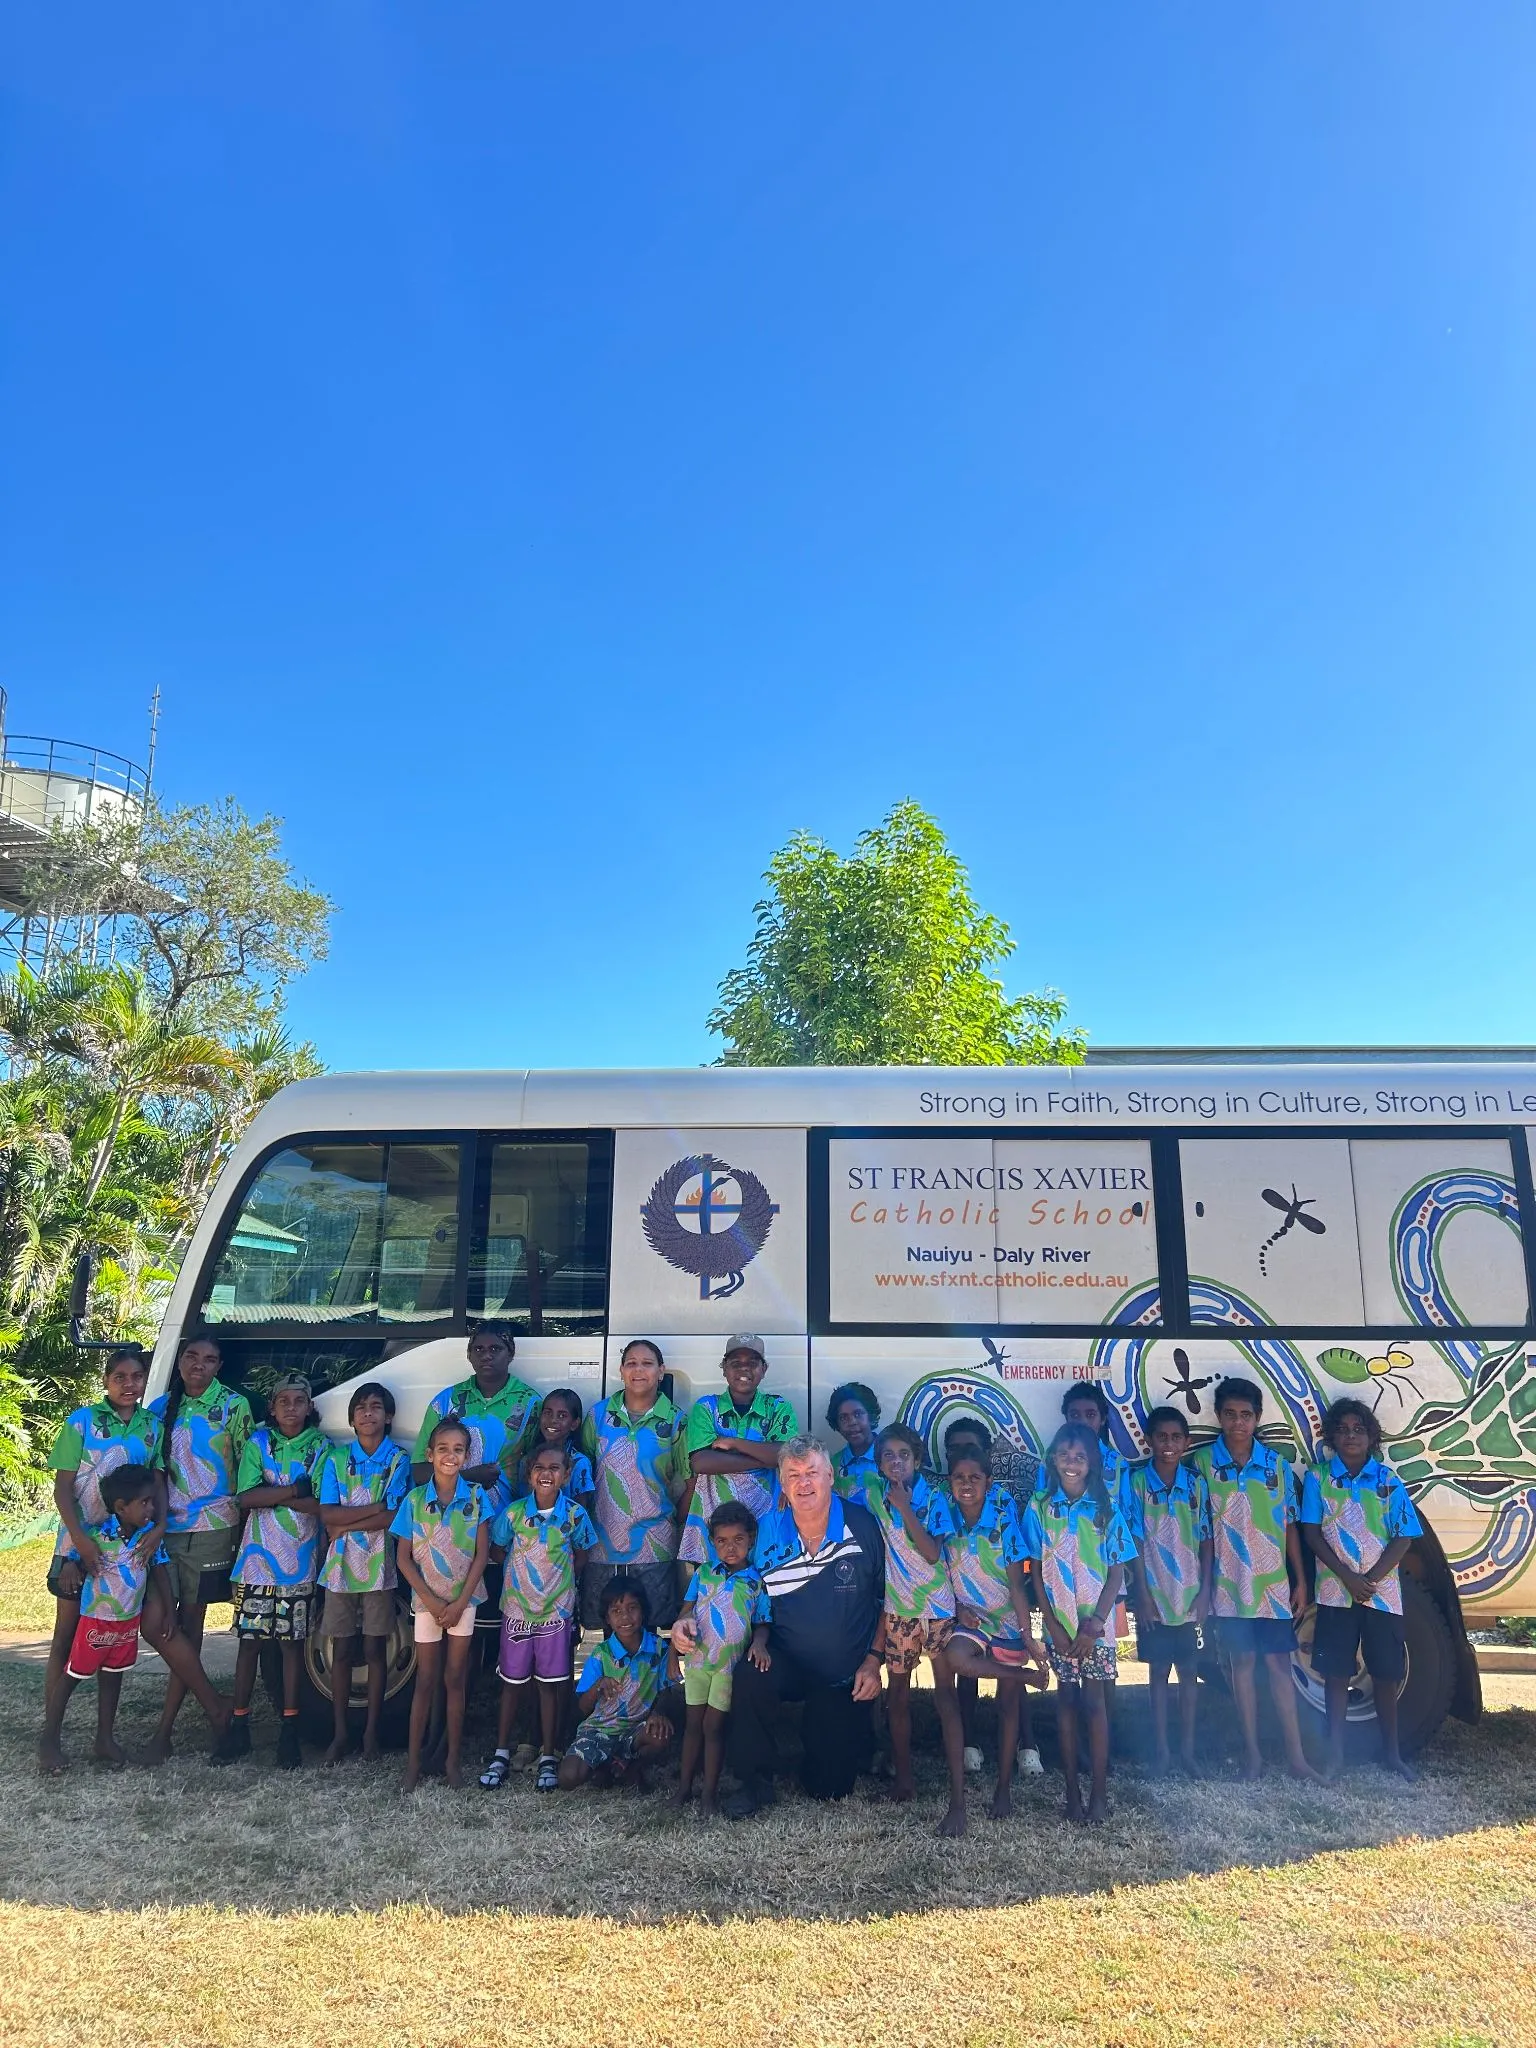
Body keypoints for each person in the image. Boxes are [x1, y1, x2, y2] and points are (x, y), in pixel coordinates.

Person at [726, 1434, 885, 1816]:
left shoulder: (862, 1526)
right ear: (782, 1484)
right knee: (750, 1675)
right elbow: (748, 1595)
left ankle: (822, 1747)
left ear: (830, 1475)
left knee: (830, 1787)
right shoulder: (766, 1532)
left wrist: (873, 1660)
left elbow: (887, 1601)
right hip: (787, 1663)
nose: (804, 1483)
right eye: (793, 1474)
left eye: (812, 1472)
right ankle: (753, 1780)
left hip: (841, 1677)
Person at [1191, 1376, 1319, 1782]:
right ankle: (1253, 1757)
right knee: (1240, 1665)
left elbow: (1289, 1527)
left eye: (1246, 1415)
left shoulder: (1276, 1466)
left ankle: (1296, 1757)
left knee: (1279, 1666)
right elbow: (1201, 1530)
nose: (1238, 1423)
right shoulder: (1203, 1465)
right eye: (1230, 1414)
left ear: (1258, 1418)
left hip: (1272, 1588)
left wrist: (1300, 1579)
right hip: (1228, 1588)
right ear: (1219, 1416)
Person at [143, 1329, 254, 1764]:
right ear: (181, 1361)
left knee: (189, 1628)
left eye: (208, 1360)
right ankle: (215, 1706)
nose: (198, 1366)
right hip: (164, 1531)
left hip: (214, 1527)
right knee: (155, 1623)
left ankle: (165, 1731)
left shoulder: (234, 1406)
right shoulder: (160, 1409)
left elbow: (248, 1469)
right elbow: (154, 1472)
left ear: (219, 1366)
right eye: (191, 1357)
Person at [1300, 1397, 1423, 1782]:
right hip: (1336, 1594)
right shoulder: (1319, 1479)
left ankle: (1392, 1753)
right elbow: (1311, 1533)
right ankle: (1335, 1754)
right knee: (1335, 1673)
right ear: (1331, 1437)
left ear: (1372, 1437)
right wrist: (1348, 1578)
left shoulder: (1387, 1480)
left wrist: (1370, 1579)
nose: (1351, 1436)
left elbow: (1405, 1535)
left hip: (1381, 1595)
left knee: (1386, 1673)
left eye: (1359, 1429)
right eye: (1343, 1429)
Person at [212, 1374, 328, 1770]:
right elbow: (245, 1498)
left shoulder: (322, 1447)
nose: (292, 1407)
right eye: (284, 1401)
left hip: (300, 1561)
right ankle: (239, 1725)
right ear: (272, 1407)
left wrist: (273, 1494)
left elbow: (320, 1504)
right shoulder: (259, 1443)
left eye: (299, 1400)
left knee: (291, 1646)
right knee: (250, 1643)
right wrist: (293, 1492)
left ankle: (289, 1731)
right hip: (256, 1562)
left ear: (310, 1407)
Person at [1023, 1423, 1136, 1825]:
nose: (1072, 1463)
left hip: (1094, 1631)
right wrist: (1051, 1624)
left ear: (1092, 1464)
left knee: (1094, 1704)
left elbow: (1117, 1570)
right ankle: (1071, 1793)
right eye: (1065, 1455)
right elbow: (1034, 1570)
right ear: (1053, 1458)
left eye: (1081, 1457)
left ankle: (1099, 1795)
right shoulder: (1039, 1507)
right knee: (1066, 1702)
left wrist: (1096, 1626)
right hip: (1060, 1628)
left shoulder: (1106, 1509)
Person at [44, 1345, 161, 1712]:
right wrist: (80, 1541)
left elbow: (156, 1483)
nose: (129, 1384)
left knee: (116, 1634)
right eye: (120, 1377)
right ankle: (52, 1731)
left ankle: (105, 1737)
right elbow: (62, 1488)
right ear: (106, 1381)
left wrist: (159, 1526)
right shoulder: (80, 1422)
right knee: (65, 1635)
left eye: (137, 1377)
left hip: (127, 1548)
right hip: (78, 1545)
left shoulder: (152, 1426)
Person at [37, 1467, 172, 1775]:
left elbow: (161, 1571)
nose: (152, 1509)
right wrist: (71, 1567)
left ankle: (104, 1739)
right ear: (122, 1507)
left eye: (152, 1502)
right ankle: (49, 1739)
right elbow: (76, 1558)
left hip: (127, 1622)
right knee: (72, 1677)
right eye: (145, 1502)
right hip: (96, 1622)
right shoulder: (100, 1534)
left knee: (114, 1677)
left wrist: (171, 1613)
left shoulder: (148, 1538)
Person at [941, 1446, 1049, 1829]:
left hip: (1004, 1620)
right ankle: (1023, 1679)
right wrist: (956, 1609)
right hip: (970, 1619)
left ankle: (1003, 1787)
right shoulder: (944, 1515)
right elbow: (937, 1571)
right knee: (955, 1659)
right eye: (959, 1478)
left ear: (988, 1482)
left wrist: (1027, 1635)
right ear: (949, 1482)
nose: (966, 1485)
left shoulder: (1004, 1518)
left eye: (974, 1478)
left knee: (1009, 1711)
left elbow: (1018, 1586)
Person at [480, 1441, 596, 1793]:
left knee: (550, 1684)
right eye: (540, 1468)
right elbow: (498, 1550)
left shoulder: (575, 1515)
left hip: (556, 1614)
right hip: (516, 1610)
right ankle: (501, 1752)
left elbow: (583, 1552)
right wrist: (523, 1577)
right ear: (529, 1474)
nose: (547, 1474)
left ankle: (548, 1754)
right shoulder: (514, 1514)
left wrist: (561, 1587)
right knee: (512, 1684)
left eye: (555, 1468)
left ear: (566, 1475)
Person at [865, 1422, 965, 1828]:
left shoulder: (935, 1497)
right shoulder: (873, 1494)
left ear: (918, 1460)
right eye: (888, 1455)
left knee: (945, 1697)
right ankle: (904, 1778)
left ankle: (957, 1793)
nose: (896, 1462)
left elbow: (930, 1553)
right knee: (899, 1696)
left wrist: (906, 1507)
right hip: (899, 1609)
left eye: (903, 1455)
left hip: (937, 1608)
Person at [391, 1416, 493, 1791]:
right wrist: (433, 1603)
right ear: (430, 1454)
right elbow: (403, 1558)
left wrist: (459, 1602)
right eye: (443, 1449)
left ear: (467, 1457)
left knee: (455, 1680)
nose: (451, 1456)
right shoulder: (414, 1500)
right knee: (426, 1681)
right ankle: (414, 1764)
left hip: (464, 1603)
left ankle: (452, 1761)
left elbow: (482, 1555)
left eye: (459, 1450)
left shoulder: (477, 1498)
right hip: (427, 1604)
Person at [315, 1382, 412, 1764]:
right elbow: (327, 1514)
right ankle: (340, 1733)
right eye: (360, 1407)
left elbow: (394, 1515)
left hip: (380, 1568)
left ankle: (372, 1732)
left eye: (376, 1407)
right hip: (339, 1570)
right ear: (351, 1417)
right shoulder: (337, 1459)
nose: (367, 1412)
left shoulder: (398, 1459)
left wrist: (344, 1525)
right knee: (341, 1649)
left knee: (375, 1649)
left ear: (388, 1417)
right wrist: (364, 1515)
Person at [668, 1500, 771, 1816]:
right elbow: (685, 1615)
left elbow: (763, 1622)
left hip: (728, 1668)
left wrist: (761, 1644)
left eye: (738, 1540)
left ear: (750, 1539)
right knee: (693, 1726)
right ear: (712, 1542)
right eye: (722, 1541)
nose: (730, 1548)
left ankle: (709, 1795)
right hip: (698, 1663)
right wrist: (673, 1654)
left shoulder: (756, 1581)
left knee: (713, 1728)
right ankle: (684, 1789)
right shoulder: (704, 1574)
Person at [1127, 1405, 1214, 1776]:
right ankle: (1162, 1750)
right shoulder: (1136, 1483)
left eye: (1176, 1437)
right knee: (1158, 1673)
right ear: (1149, 1441)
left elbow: (1207, 1539)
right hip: (1155, 1599)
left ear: (1186, 1442)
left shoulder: (1196, 1484)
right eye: (1161, 1436)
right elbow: (1134, 1540)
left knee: (1189, 1672)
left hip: (1190, 1596)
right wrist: (1142, 1597)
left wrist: (1206, 1590)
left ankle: (1188, 1751)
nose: (1168, 1444)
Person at [579, 1338, 688, 1630]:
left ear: (661, 1371)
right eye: (631, 1363)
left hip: (655, 1542)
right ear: (621, 1370)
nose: (639, 1370)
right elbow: (584, 1472)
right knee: (609, 1633)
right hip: (602, 1543)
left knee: (651, 1631)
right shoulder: (599, 1415)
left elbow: (687, 1479)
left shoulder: (676, 1421)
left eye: (647, 1363)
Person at [680, 1337, 797, 1576]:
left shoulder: (778, 1406)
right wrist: (765, 1457)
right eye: (735, 1362)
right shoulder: (706, 1407)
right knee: (715, 1598)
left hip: (765, 1524)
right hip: (716, 1529)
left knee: (764, 1596)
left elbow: (786, 1454)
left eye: (753, 1362)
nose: (744, 1368)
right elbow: (701, 1462)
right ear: (724, 1368)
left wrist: (734, 1443)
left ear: (764, 1369)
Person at [557, 1577, 674, 1792]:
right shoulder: (600, 1655)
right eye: (616, 1611)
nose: (625, 1617)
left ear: (643, 1612)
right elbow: (582, 1708)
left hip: (636, 1729)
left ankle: (632, 1766)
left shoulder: (659, 1648)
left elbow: (667, 1688)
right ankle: (607, 1764)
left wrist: (658, 1712)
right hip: (599, 1730)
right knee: (568, 1777)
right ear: (607, 1619)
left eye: (632, 1608)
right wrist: (598, 1685)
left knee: (660, 1733)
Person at [412, 1323, 542, 1513]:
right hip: (451, 1519)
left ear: (510, 1355)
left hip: (506, 1520)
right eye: (478, 1349)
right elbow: (419, 1471)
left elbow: (538, 1466)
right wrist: (468, 1476)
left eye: (495, 1349)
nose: (486, 1355)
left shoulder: (531, 1403)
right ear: (469, 1355)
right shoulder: (446, 1401)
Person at [519, 1389, 596, 1514]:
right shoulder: (527, 1460)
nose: (553, 1420)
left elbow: (581, 1511)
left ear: (574, 1424)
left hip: (565, 1530)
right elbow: (521, 1504)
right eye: (548, 1413)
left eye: (562, 1415)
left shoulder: (579, 1463)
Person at [827, 1382, 881, 1507]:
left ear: (871, 1416)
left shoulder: (891, 1458)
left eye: (858, 1414)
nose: (852, 1422)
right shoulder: (833, 1465)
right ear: (837, 1423)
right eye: (843, 1418)